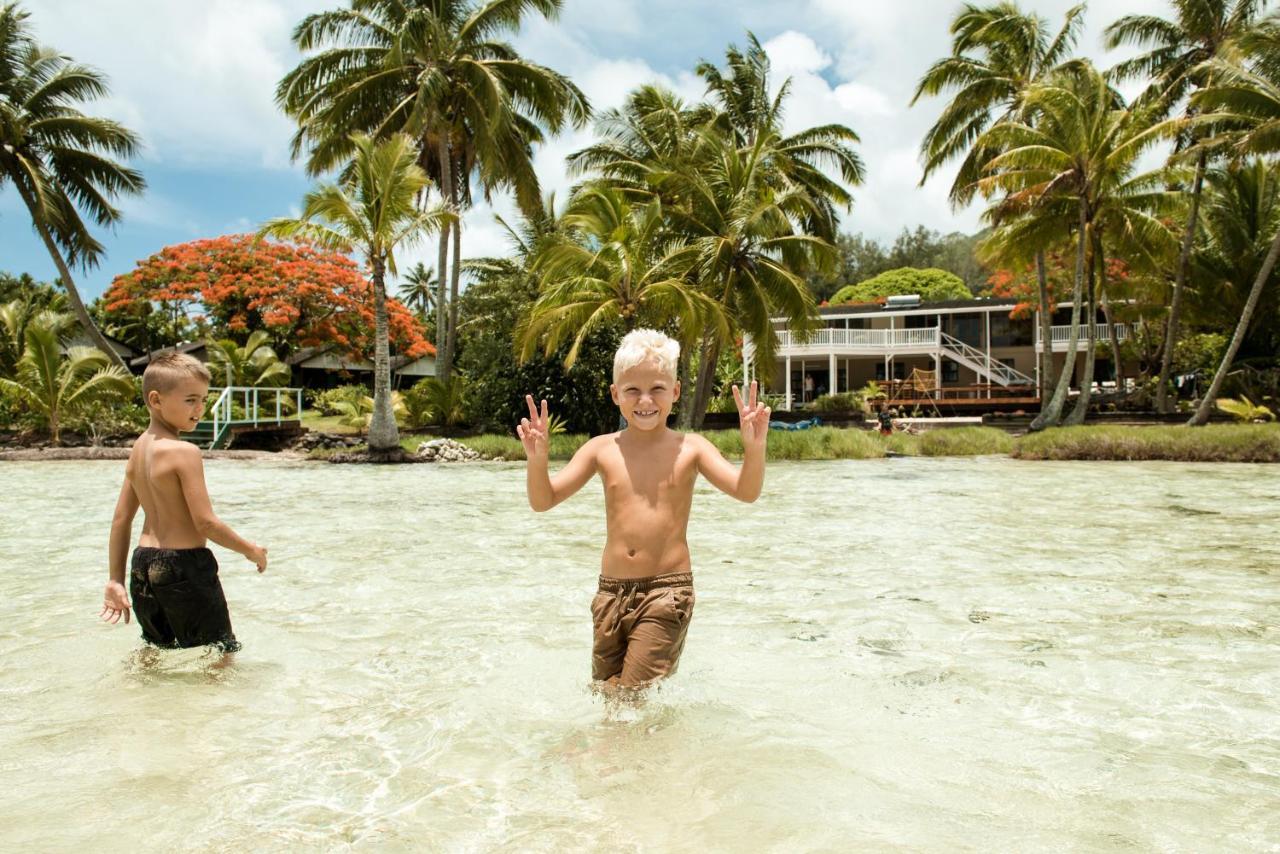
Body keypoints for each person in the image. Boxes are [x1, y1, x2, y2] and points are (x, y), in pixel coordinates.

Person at [517, 329, 770, 691]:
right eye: (633, 390)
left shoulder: (692, 448)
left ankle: (609, 748)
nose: (645, 400)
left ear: (676, 391)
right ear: (615, 394)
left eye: (657, 388)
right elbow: (543, 501)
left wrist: (754, 448)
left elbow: (746, 491)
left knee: (632, 697)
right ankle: (637, 748)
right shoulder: (599, 449)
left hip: (667, 592)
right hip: (610, 595)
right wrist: (537, 461)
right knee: (606, 694)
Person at [100, 353, 267, 655]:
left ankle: (139, 702)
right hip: (184, 566)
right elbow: (205, 523)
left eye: (203, 399)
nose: (200, 409)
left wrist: (115, 579)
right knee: (220, 655)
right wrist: (250, 550)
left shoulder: (138, 449)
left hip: (142, 566)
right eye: (190, 400)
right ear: (156, 399)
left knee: (156, 652)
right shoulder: (184, 451)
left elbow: (121, 520)